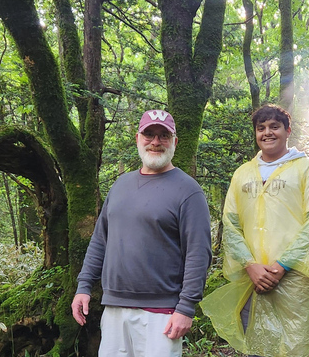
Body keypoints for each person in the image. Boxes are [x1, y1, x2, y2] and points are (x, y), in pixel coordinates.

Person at [71, 109, 212, 357]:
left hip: (163, 313)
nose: (155, 142)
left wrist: (186, 307)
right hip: (114, 308)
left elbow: (198, 253)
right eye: (149, 134)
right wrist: (84, 286)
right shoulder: (120, 185)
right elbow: (100, 242)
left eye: (163, 136)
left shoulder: (188, 191)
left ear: (175, 142)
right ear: (138, 138)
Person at [200, 104, 309, 357]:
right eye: (261, 128)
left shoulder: (306, 169)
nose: (267, 133)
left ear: (287, 130)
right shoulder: (242, 174)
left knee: (296, 346)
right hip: (254, 279)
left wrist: (282, 265)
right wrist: (250, 265)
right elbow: (231, 224)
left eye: (274, 127)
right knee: (258, 346)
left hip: (296, 280)